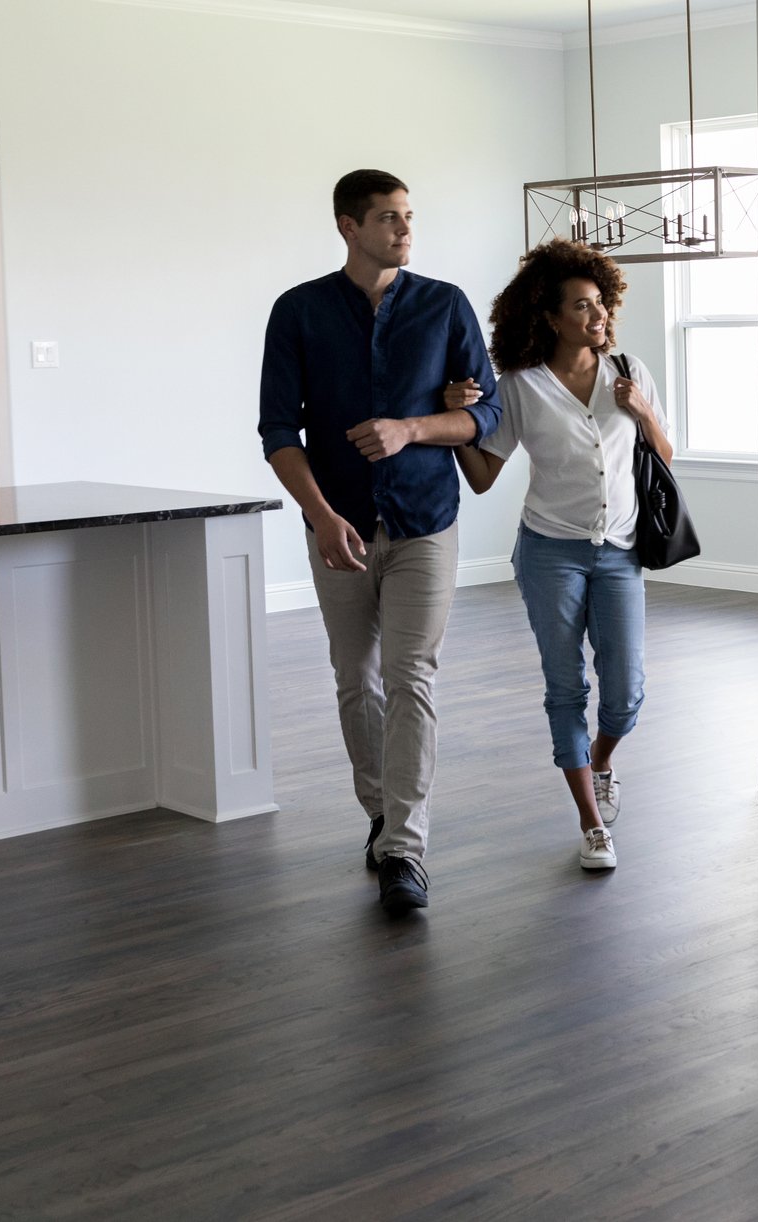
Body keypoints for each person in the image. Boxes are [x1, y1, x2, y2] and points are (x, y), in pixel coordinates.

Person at [258, 169, 501, 918]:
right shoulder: (297, 311)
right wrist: (321, 515)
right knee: (354, 678)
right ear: (347, 226)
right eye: (388, 218)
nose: (403, 230)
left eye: (408, 217)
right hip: (338, 526)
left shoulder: (444, 304)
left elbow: (485, 416)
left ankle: (404, 847)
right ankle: (379, 812)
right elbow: (277, 431)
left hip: (425, 518)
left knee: (411, 677)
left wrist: (412, 428)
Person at [448, 239, 668, 872]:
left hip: (621, 550)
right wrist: (454, 424)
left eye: (600, 303)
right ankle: (591, 823)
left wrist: (642, 408)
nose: (597, 317)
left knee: (625, 693)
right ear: (548, 315)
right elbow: (486, 474)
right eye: (581, 306)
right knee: (565, 687)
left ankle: (600, 761)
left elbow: (666, 455)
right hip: (550, 553)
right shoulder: (520, 384)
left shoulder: (629, 369)